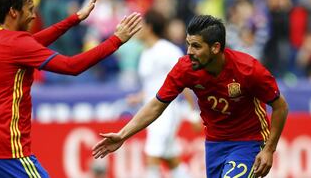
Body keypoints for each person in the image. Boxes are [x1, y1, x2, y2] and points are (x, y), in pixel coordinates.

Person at [0, 0, 141, 178]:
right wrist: (115, 40)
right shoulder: (17, 45)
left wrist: (75, 19)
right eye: (29, 8)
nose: (33, 15)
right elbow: (71, 66)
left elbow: (33, 42)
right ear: (13, 11)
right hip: (11, 152)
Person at [93, 14, 288, 178]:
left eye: (196, 46)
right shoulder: (185, 68)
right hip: (214, 143)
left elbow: (280, 106)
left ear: (215, 47)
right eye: (188, 44)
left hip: (249, 141)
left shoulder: (248, 69)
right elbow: (156, 105)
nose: (189, 52)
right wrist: (123, 135)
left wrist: (269, 149)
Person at [126, 10, 199, 178]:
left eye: (141, 25)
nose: (138, 29)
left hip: (165, 113)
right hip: (151, 111)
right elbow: (154, 84)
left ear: (149, 27)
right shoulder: (145, 52)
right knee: (172, 160)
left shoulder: (168, 50)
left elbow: (185, 81)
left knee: (152, 158)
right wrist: (139, 97)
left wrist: (193, 112)